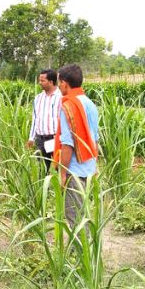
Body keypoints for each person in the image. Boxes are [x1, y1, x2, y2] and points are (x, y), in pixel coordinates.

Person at [53, 64, 99, 230]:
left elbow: (67, 144)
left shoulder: (68, 106)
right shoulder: (90, 104)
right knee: (83, 212)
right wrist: (95, 165)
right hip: (88, 168)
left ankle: (80, 254)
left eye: (59, 82)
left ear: (65, 83)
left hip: (74, 171)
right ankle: (84, 251)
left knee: (74, 217)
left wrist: (62, 173)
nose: (58, 86)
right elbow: (95, 138)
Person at [26, 69, 62, 171]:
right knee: (42, 169)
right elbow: (35, 118)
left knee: (59, 168)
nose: (39, 83)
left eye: (42, 80)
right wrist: (31, 138)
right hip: (40, 140)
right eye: (39, 80)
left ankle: (60, 187)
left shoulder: (61, 97)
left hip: (56, 139)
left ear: (51, 82)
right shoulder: (38, 98)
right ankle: (43, 187)